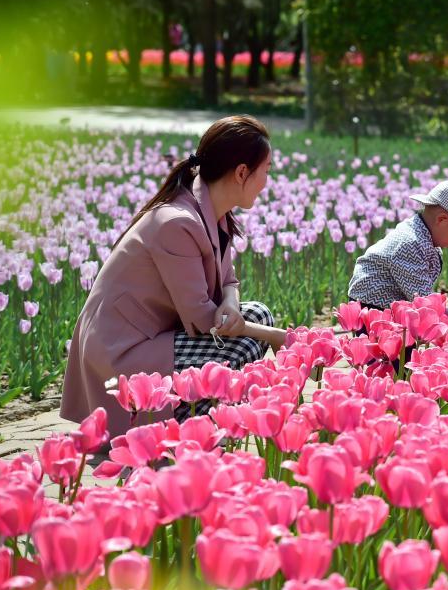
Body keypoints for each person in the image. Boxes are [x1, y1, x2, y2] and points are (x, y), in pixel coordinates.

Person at [61, 115, 286, 440]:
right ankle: (184, 426)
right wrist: (277, 337)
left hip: (157, 333)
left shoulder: (210, 211)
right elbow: (203, 320)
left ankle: (198, 419)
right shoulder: (177, 222)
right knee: (238, 347)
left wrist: (232, 305)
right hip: (121, 350)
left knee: (256, 315)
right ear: (241, 172)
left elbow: (229, 282)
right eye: (266, 170)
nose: (268, 180)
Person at [347, 180, 448, 312]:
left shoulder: (423, 237)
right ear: (442, 220)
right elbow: (421, 299)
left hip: (389, 303)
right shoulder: (410, 244)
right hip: (371, 305)